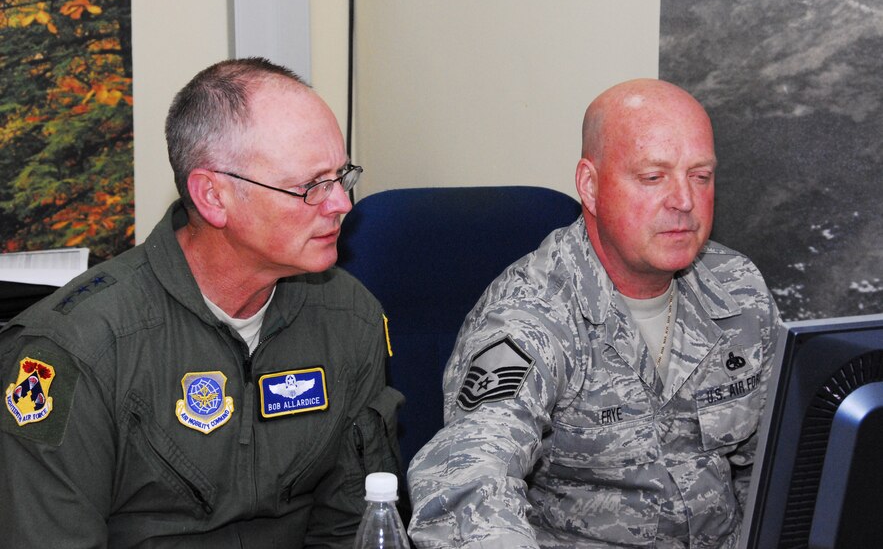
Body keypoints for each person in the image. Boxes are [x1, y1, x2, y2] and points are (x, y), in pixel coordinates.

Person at [0, 58, 403, 547]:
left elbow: (352, 529)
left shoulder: (348, 317)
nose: (341, 203)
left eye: (342, 176)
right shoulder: (77, 348)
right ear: (213, 196)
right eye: (310, 186)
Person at [407, 79, 780, 548]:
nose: (684, 201)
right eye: (653, 177)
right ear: (590, 185)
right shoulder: (531, 315)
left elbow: (779, 462)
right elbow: (469, 478)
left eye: (701, 176)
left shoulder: (736, 286)